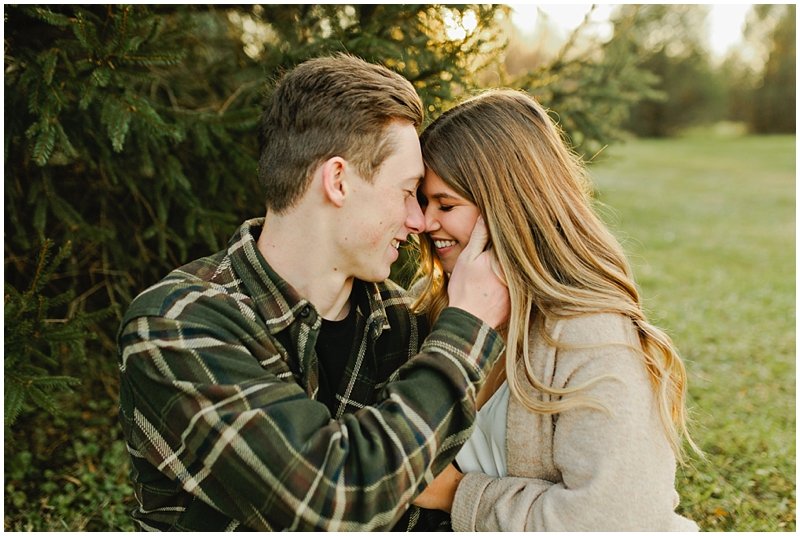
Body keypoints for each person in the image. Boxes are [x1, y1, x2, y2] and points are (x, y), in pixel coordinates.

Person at [116, 54, 509, 531]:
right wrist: (466, 334)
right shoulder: (175, 325)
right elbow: (329, 500)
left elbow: (418, 509)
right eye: (407, 191)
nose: (417, 221)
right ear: (338, 180)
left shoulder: (399, 321)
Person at [410, 88, 700, 531]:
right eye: (423, 202)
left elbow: (616, 520)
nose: (426, 223)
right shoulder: (436, 302)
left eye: (446, 205)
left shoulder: (590, 335)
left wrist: (456, 493)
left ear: (507, 207)